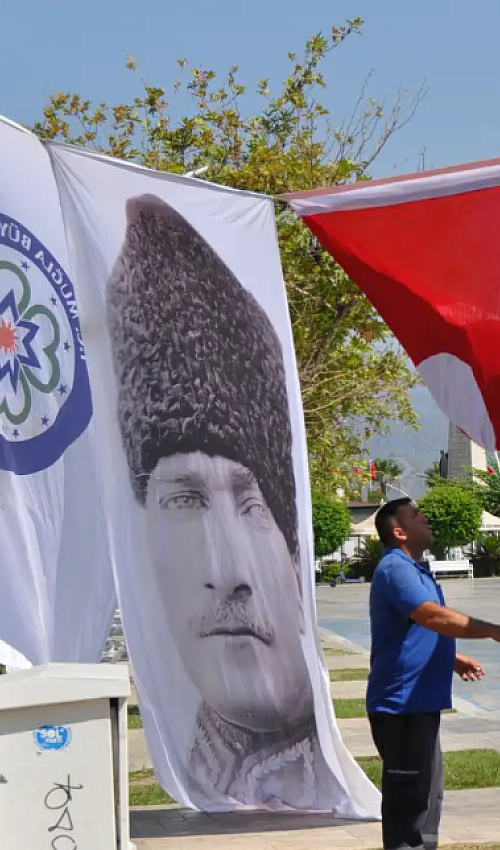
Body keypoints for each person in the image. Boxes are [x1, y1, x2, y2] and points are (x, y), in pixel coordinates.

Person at [110, 194, 337, 808]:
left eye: (253, 505)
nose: (227, 572)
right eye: (184, 502)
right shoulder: (200, 770)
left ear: (293, 549)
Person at [368, 497, 500, 850]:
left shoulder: (415, 570)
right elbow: (432, 617)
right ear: (399, 532)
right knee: (408, 788)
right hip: (400, 703)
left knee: (429, 787)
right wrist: (493, 630)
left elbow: (417, 632)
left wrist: (452, 658)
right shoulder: (395, 567)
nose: (425, 518)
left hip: (421, 700)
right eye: (415, 515)